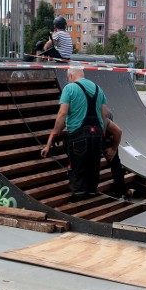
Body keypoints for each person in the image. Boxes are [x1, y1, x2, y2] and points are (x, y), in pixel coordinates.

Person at [41, 68, 109, 201]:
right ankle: (91, 196)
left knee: (77, 168)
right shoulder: (98, 88)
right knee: (93, 167)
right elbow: (105, 114)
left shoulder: (69, 88)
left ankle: (78, 198)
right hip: (97, 135)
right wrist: (103, 132)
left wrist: (56, 133)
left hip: (78, 135)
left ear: (71, 75)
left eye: (68, 78)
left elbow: (62, 113)